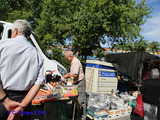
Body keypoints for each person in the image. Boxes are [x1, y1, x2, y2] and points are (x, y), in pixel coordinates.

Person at [0, 19, 44, 120]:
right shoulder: (37, 54)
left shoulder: (1, 45)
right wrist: (21, 106)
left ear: (15, 31)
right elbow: (38, 84)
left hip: (1, 100)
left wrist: (6, 101)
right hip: (24, 103)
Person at [64, 51, 86, 120]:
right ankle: (74, 115)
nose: (67, 60)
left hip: (80, 82)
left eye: (67, 58)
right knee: (74, 100)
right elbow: (72, 73)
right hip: (76, 82)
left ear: (70, 56)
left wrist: (67, 75)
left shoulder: (76, 62)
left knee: (81, 100)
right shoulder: (72, 62)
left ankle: (83, 117)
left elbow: (75, 75)